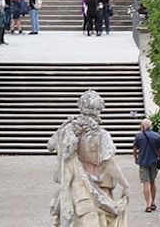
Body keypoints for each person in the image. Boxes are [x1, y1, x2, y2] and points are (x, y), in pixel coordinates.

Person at [48, 90, 130, 225]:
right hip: (99, 184)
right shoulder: (102, 135)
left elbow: (50, 145)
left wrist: (62, 127)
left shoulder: (68, 129)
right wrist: (125, 185)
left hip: (75, 186)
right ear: (98, 110)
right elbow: (109, 163)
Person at [133, 118, 160, 213]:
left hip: (143, 161)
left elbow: (134, 149)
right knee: (152, 182)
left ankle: (148, 204)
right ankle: (153, 202)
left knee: (146, 183)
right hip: (154, 161)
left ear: (142, 126)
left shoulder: (139, 136)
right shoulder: (156, 136)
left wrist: (136, 158)